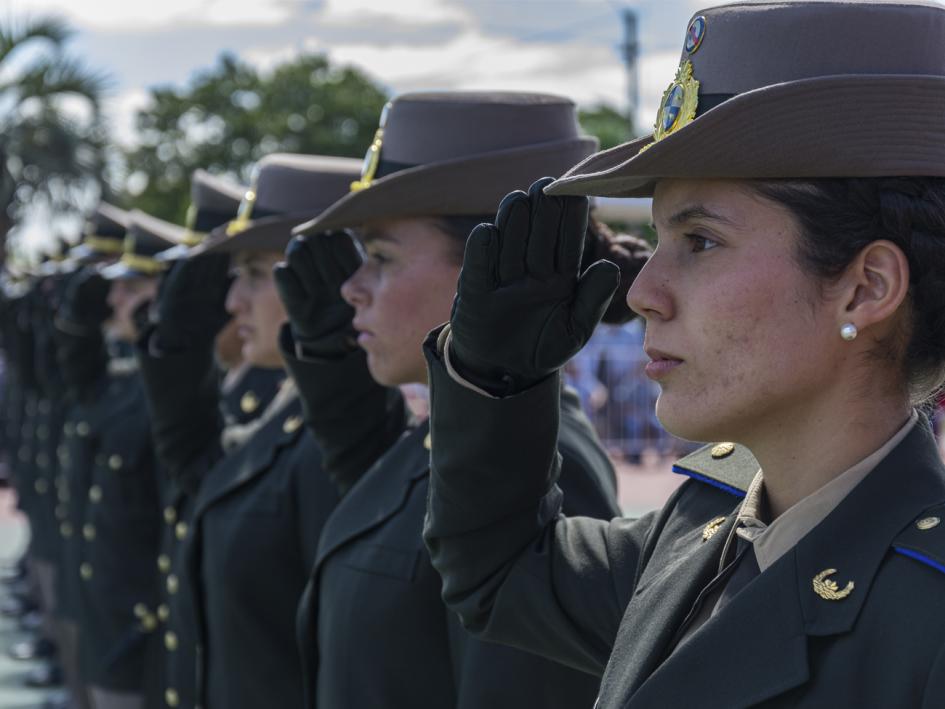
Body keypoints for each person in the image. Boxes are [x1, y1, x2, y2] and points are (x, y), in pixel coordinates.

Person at [421, 2, 945, 707]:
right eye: (660, 240)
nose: (641, 291)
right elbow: (496, 574)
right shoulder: (707, 523)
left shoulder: (926, 607)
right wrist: (492, 377)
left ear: (864, 288)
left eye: (698, 241)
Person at [275, 91, 643, 708]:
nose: (351, 288)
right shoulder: (446, 433)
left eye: (382, 257)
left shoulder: (549, 465)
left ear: (492, 269)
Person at [136, 153, 359, 709]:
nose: (233, 301)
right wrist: (178, 350)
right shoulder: (290, 415)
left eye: (257, 274)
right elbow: (202, 470)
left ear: (334, 277)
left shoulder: (347, 442)